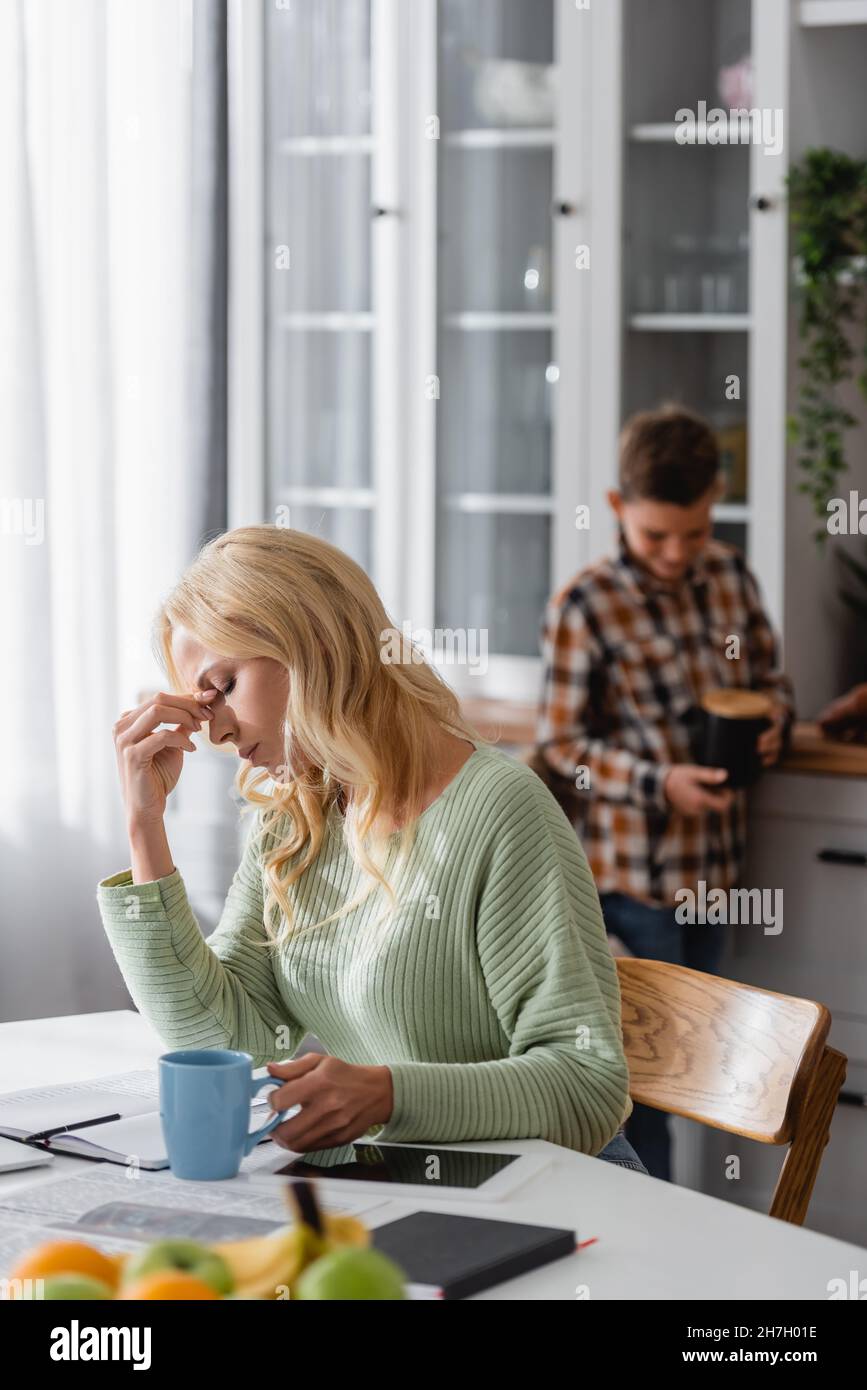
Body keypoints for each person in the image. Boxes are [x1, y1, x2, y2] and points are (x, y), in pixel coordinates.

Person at [97, 524, 646, 1172]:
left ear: (315, 646)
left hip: (547, 1202)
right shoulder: (293, 820)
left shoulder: (500, 809)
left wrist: (388, 1094)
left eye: (223, 686)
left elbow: (587, 1084)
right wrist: (144, 825)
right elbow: (227, 1042)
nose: (213, 726)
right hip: (397, 1193)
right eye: (199, 699)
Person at [536, 404, 795, 1181]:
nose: (676, 553)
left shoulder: (729, 576)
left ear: (715, 498)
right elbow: (561, 746)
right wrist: (658, 784)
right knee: (642, 1092)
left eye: (692, 531)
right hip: (632, 889)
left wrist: (776, 721)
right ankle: (649, 1249)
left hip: (716, 880)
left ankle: (679, 1238)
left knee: (708, 1082)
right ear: (617, 509)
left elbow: (771, 683)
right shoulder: (585, 605)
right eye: (656, 536)